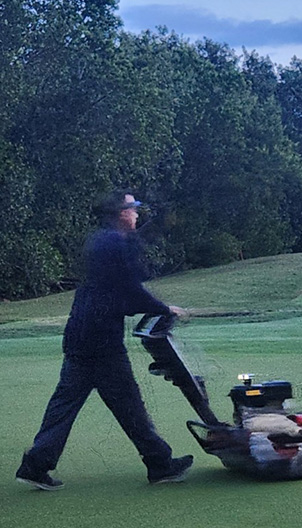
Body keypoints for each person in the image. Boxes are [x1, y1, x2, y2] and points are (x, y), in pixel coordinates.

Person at [16, 191, 193, 490]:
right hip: (102, 341)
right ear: (122, 213)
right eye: (133, 208)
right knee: (129, 405)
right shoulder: (114, 244)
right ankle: (160, 464)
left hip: (80, 335)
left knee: (65, 405)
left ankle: (35, 466)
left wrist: (151, 304)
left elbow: (120, 292)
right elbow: (129, 290)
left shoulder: (101, 241)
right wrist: (164, 309)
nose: (136, 213)